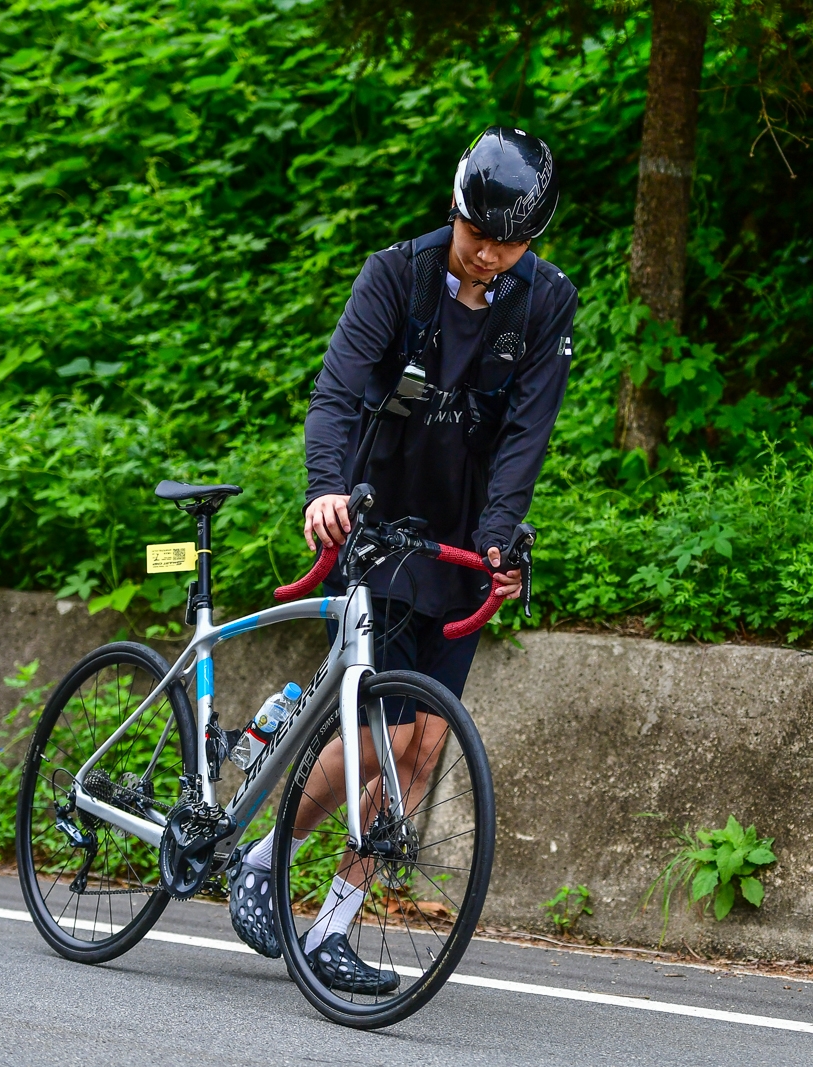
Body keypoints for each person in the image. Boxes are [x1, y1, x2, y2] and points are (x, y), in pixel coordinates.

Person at [225, 126, 576, 993]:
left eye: (508, 244)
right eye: (477, 234)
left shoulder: (546, 302)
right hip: (378, 522)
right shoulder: (396, 275)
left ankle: (334, 927)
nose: (488, 254)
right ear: (454, 209)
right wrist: (324, 489)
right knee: (380, 738)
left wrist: (501, 536)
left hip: (459, 541)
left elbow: (527, 434)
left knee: (426, 744)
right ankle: (265, 858)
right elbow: (337, 391)